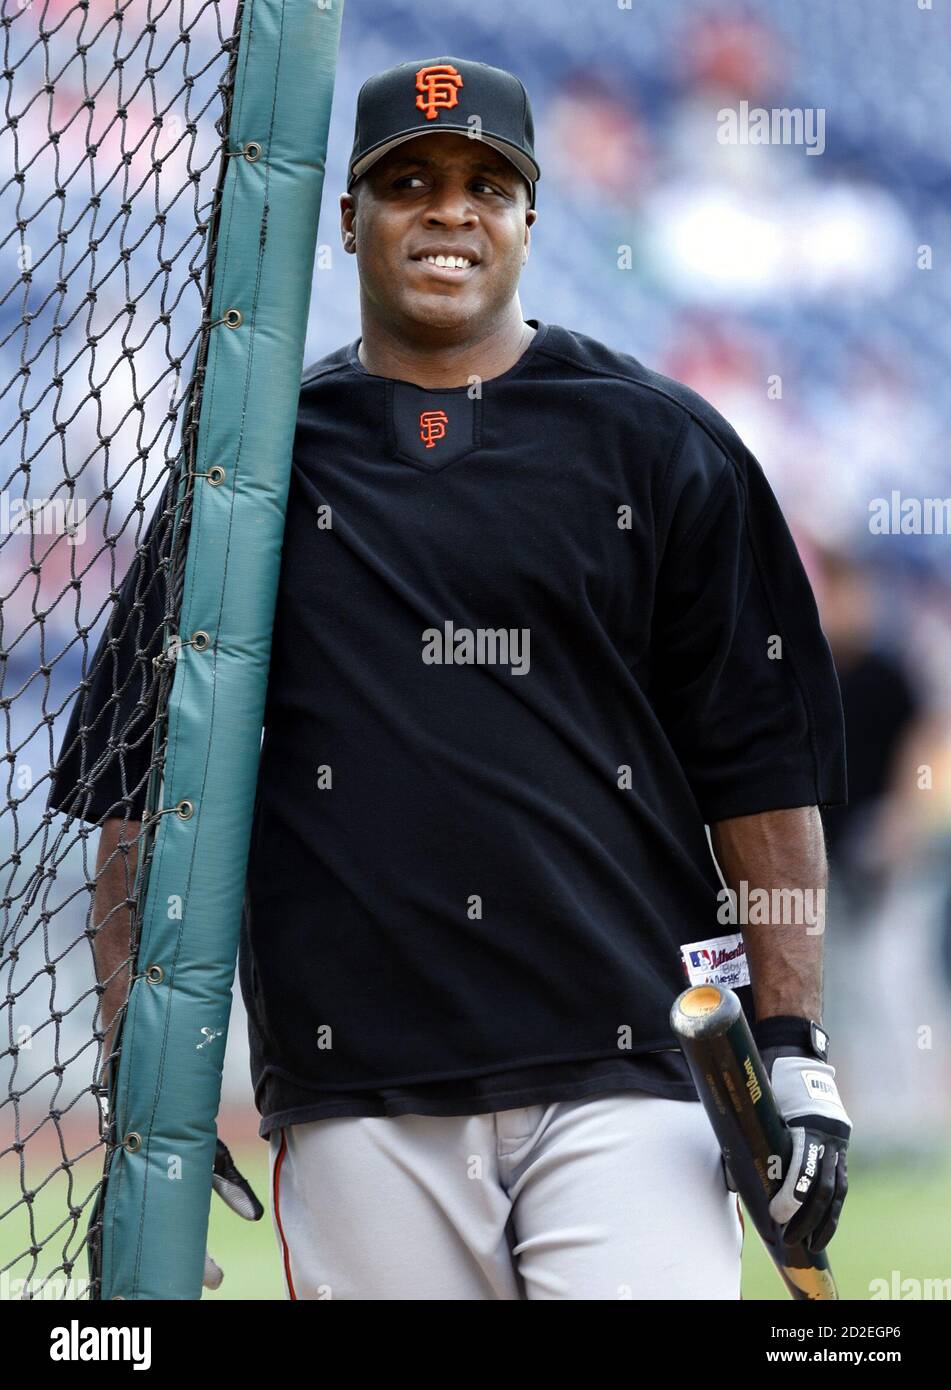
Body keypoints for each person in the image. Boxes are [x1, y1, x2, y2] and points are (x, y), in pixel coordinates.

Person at [50, 56, 852, 1300]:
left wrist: (793, 1055)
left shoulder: (663, 444)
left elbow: (763, 774)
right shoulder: (248, 474)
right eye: (409, 181)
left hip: (633, 1073)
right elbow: (138, 801)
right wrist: (141, 1076)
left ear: (532, 216)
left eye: (487, 183)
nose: (448, 211)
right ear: (350, 219)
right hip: (359, 1091)